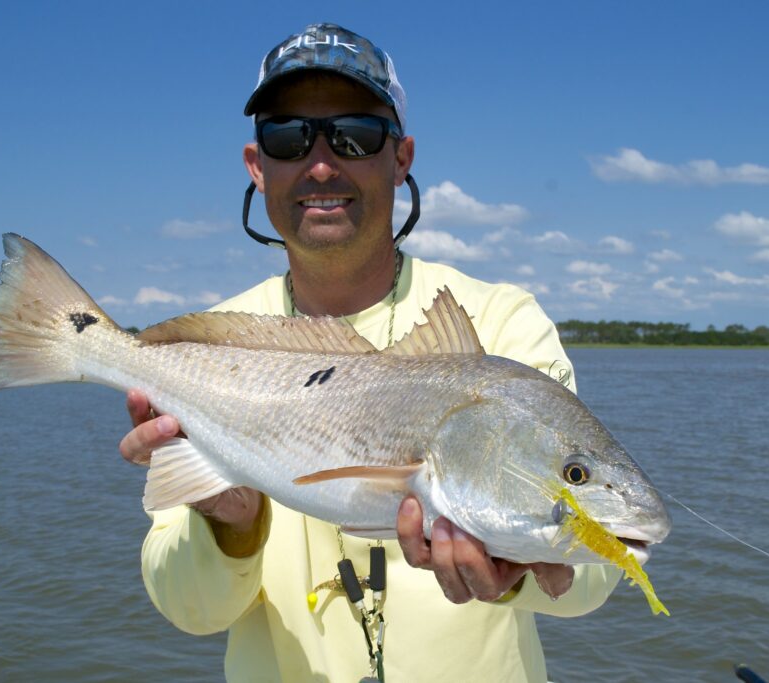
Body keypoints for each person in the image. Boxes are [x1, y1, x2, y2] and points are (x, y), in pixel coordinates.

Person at [119, 23, 621, 682]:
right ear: (255, 163)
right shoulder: (212, 348)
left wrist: (517, 570)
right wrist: (229, 525)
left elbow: (599, 569)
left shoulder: (501, 326)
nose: (321, 163)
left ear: (402, 156)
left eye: (355, 134)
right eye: (287, 137)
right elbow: (189, 608)